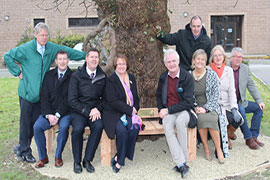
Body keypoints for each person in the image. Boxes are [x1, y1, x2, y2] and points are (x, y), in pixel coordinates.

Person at [4, 22, 85, 163]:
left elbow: (68, 52)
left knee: (34, 124)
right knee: (25, 123)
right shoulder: (26, 49)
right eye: (41, 35)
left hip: (41, 96)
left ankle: (21, 146)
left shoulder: (51, 48)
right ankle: (24, 151)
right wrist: (17, 72)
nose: (44, 38)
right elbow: (8, 56)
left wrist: (87, 56)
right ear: (35, 35)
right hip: (28, 94)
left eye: (46, 35)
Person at [156, 49, 193, 178]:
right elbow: (159, 95)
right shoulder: (163, 77)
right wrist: (161, 108)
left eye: (173, 61)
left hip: (184, 110)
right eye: (168, 62)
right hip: (168, 111)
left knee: (180, 122)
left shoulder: (186, 77)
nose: (171, 64)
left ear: (178, 61)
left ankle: (182, 161)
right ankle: (181, 164)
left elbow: (188, 102)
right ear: (165, 64)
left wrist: (168, 110)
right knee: (167, 125)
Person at [68, 48, 106, 173]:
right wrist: (87, 111)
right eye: (92, 57)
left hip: (95, 111)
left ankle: (87, 160)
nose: (94, 59)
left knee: (99, 126)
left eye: (96, 57)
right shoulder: (76, 76)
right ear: (86, 59)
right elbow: (72, 100)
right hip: (79, 110)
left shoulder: (102, 76)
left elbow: (105, 99)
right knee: (78, 129)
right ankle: (77, 161)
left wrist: (97, 109)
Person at [33, 50, 72, 168]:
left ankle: (58, 156)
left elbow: (69, 99)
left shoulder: (73, 76)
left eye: (64, 59)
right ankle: (43, 157)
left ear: (68, 60)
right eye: (60, 59)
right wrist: (49, 115)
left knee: (64, 126)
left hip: (65, 112)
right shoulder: (49, 75)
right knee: (37, 127)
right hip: (49, 112)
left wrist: (58, 114)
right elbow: (44, 97)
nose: (62, 61)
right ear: (56, 61)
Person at [103, 54, 141, 173]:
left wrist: (135, 108)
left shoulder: (132, 79)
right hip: (114, 113)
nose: (121, 66)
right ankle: (120, 161)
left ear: (127, 65)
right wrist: (129, 110)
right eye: (119, 64)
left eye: (123, 64)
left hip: (129, 113)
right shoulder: (111, 80)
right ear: (115, 66)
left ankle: (120, 155)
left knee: (134, 128)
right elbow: (112, 101)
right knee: (122, 131)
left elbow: (136, 97)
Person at [192, 49, 225, 164]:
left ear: (205, 62)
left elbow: (216, 95)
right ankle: (206, 148)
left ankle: (219, 149)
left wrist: (206, 108)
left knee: (210, 118)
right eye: (198, 59)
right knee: (201, 118)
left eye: (203, 60)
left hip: (211, 106)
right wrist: (195, 107)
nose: (200, 62)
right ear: (194, 61)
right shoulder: (188, 75)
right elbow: (187, 95)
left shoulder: (211, 74)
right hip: (196, 107)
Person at [229, 47, 265, 149]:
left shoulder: (245, 69)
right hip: (228, 103)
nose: (238, 59)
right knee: (241, 111)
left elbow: (251, 85)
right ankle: (248, 139)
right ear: (231, 57)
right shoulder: (225, 68)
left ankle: (254, 136)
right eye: (236, 56)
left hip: (241, 101)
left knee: (258, 108)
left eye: (240, 57)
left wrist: (259, 101)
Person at [209, 45, 243, 150]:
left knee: (238, 120)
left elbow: (232, 91)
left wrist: (234, 108)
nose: (218, 58)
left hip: (227, 104)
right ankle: (220, 141)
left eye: (220, 55)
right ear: (212, 58)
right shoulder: (208, 70)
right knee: (220, 120)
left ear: (224, 57)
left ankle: (227, 136)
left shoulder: (229, 70)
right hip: (214, 105)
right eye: (215, 56)